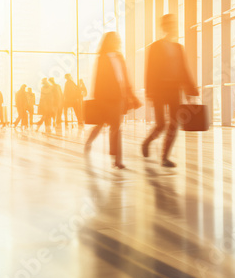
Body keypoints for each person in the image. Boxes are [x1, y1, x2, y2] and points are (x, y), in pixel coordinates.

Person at [142, 14, 198, 168]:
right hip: (159, 90)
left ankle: (165, 157)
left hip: (174, 90)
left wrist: (190, 91)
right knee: (161, 125)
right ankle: (147, 142)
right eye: (170, 25)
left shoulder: (179, 48)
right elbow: (150, 70)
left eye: (174, 24)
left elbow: (184, 70)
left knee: (174, 123)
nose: (174, 27)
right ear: (165, 27)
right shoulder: (156, 46)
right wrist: (149, 91)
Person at [85, 32, 139, 168]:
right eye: (115, 39)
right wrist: (97, 98)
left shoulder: (120, 57)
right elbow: (98, 79)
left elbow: (125, 78)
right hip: (106, 98)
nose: (117, 41)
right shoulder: (102, 58)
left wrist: (130, 95)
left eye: (118, 39)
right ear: (109, 41)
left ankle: (117, 160)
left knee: (116, 127)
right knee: (102, 124)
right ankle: (90, 141)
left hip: (119, 97)